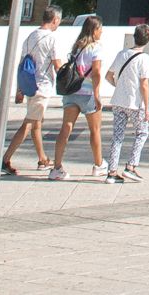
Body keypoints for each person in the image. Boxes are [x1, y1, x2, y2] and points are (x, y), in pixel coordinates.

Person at [1, 6, 63, 177]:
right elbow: (57, 65)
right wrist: (70, 81)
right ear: (55, 20)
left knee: (37, 122)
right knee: (29, 123)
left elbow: (22, 64)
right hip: (41, 86)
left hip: (29, 84)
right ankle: (5, 159)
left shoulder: (30, 37)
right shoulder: (52, 39)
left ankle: (42, 158)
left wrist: (19, 89)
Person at [47, 15, 107, 180]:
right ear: (94, 30)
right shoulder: (96, 48)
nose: (102, 31)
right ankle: (98, 164)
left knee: (65, 128)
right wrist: (97, 94)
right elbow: (96, 72)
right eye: (100, 28)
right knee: (95, 130)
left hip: (71, 92)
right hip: (87, 93)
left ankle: (56, 167)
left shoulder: (76, 47)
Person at [104, 25, 149, 183]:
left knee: (117, 137)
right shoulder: (144, 58)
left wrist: (118, 86)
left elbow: (109, 76)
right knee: (142, 133)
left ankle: (111, 171)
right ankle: (131, 166)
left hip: (118, 101)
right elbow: (144, 84)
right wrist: (147, 107)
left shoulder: (122, 54)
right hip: (135, 102)